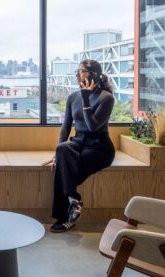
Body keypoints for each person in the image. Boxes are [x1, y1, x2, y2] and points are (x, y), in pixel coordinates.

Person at [42, 59, 116, 232]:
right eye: (78, 70)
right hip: (79, 141)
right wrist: (56, 156)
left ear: (94, 75)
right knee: (62, 150)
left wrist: (85, 97)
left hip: (99, 147)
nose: (77, 74)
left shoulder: (107, 98)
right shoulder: (72, 97)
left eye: (81, 71)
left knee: (64, 168)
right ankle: (74, 199)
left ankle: (65, 218)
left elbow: (93, 126)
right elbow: (66, 127)